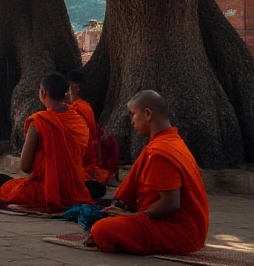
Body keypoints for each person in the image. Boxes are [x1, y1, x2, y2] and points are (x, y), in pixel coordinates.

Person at [87, 91, 209, 255]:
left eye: (133, 114)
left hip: (179, 233)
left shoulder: (161, 152)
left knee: (101, 230)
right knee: (106, 216)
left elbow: (171, 204)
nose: (132, 121)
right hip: (182, 228)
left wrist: (133, 216)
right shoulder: (171, 142)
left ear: (147, 114)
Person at [0, 72, 103, 211]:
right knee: (92, 188)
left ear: (43, 92)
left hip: (45, 189)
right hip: (74, 188)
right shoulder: (79, 120)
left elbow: (25, 166)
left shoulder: (39, 121)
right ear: (66, 93)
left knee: (0, 182)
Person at [66, 71, 114, 184]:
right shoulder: (84, 106)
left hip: (83, 154)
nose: (65, 93)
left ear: (75, 88)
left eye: (66, 88)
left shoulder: (78, 108)